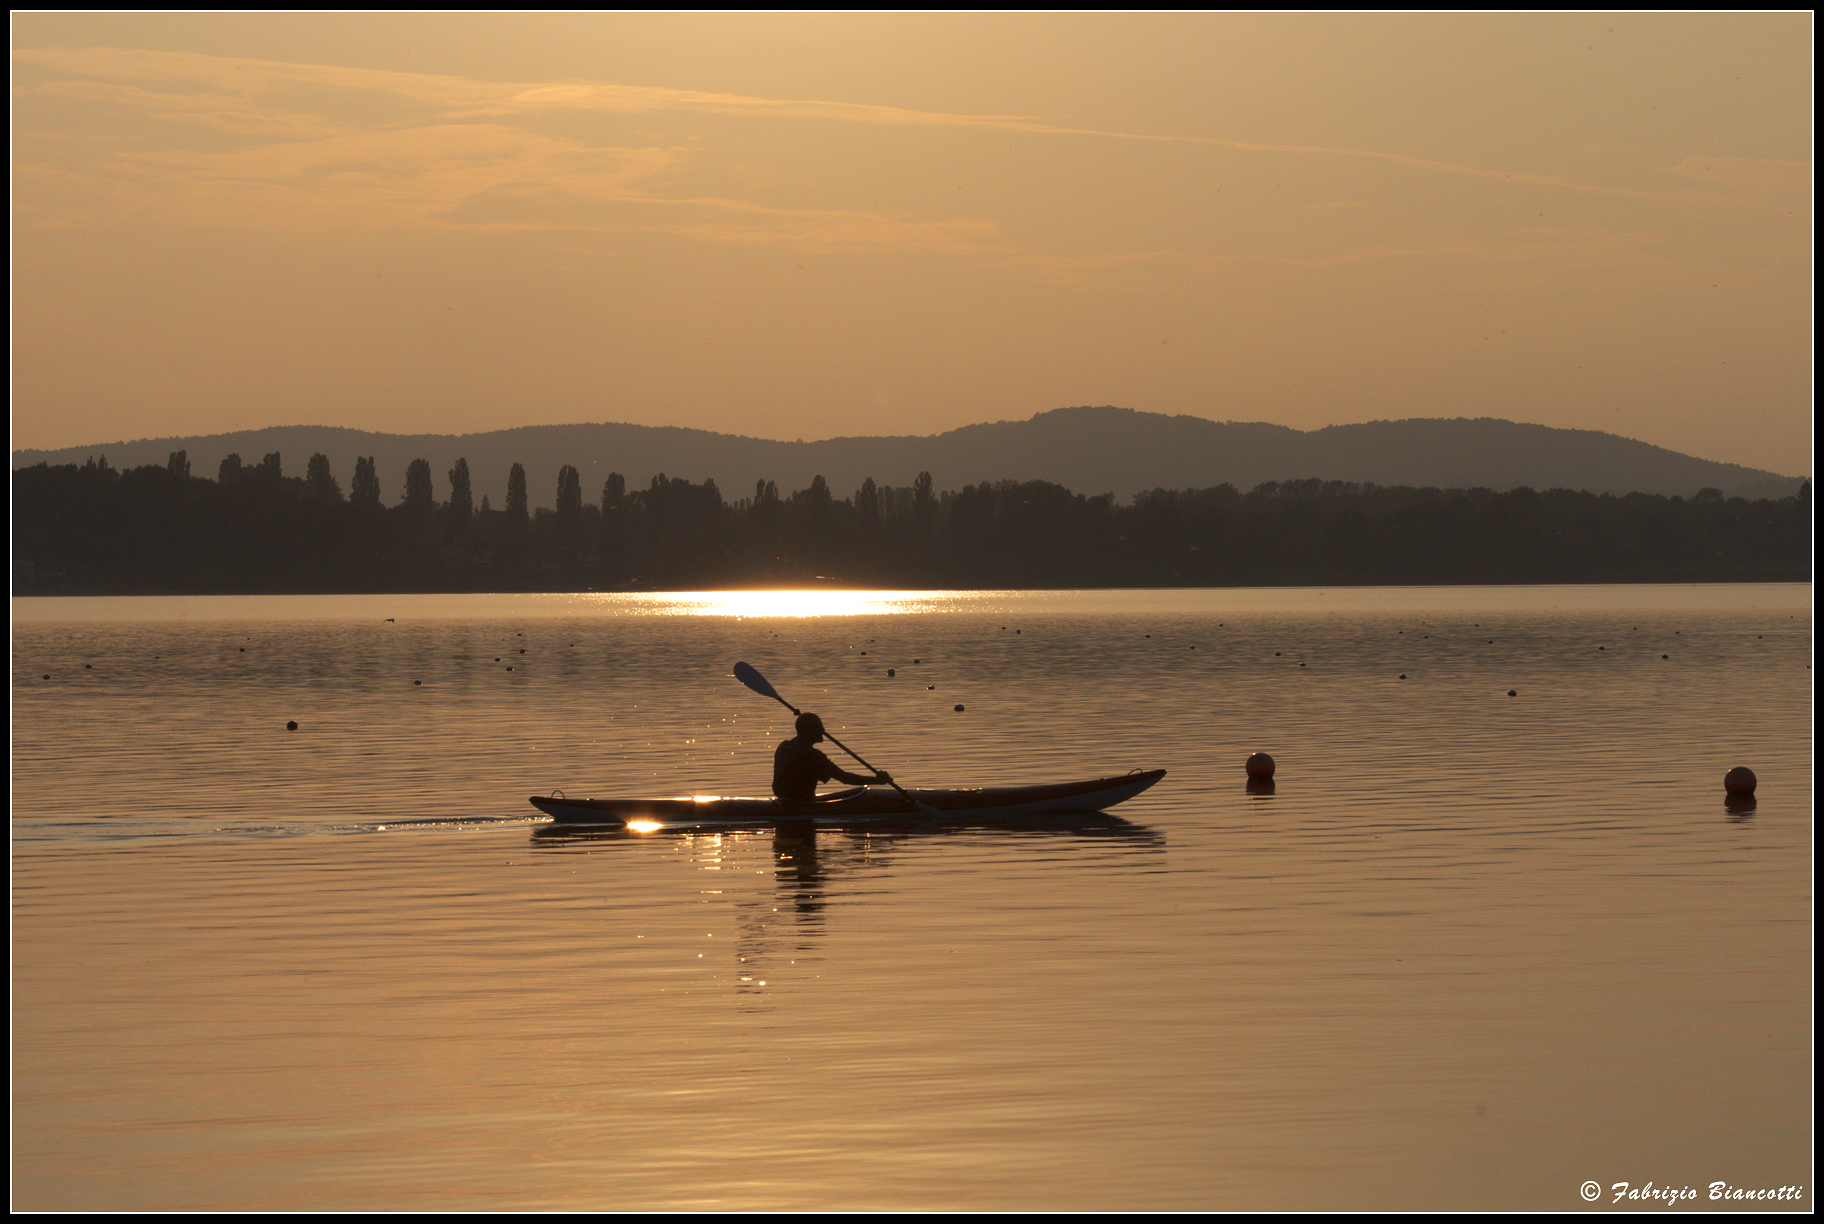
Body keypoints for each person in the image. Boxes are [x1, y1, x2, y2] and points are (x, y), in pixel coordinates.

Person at [773, 712, 891, 802]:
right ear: (809, 731)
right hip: (800, 805)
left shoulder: (784, 746)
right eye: (819, 727)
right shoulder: (812, 755)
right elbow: (844, 778)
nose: (823, 731)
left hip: (783, 800)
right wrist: (878, 781)